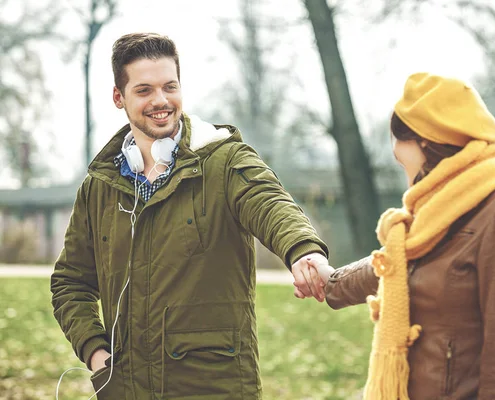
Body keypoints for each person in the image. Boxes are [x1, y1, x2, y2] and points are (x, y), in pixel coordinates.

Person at [50, 32, 329, 400]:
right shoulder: (99, 187)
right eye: (144, 90)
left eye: (170, 86)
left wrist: (303, 251)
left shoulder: (225, 160)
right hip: (124, 390)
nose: (161, 100)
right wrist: (96, 353)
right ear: (119, 97)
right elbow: (70, 282)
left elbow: (270, 202)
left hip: (212, 388)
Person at [301, 72, 495, 400]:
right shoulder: (434, 211)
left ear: (427, 141)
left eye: (399, 138)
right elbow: (393, 266)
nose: (394, 152)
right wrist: (329, 282)